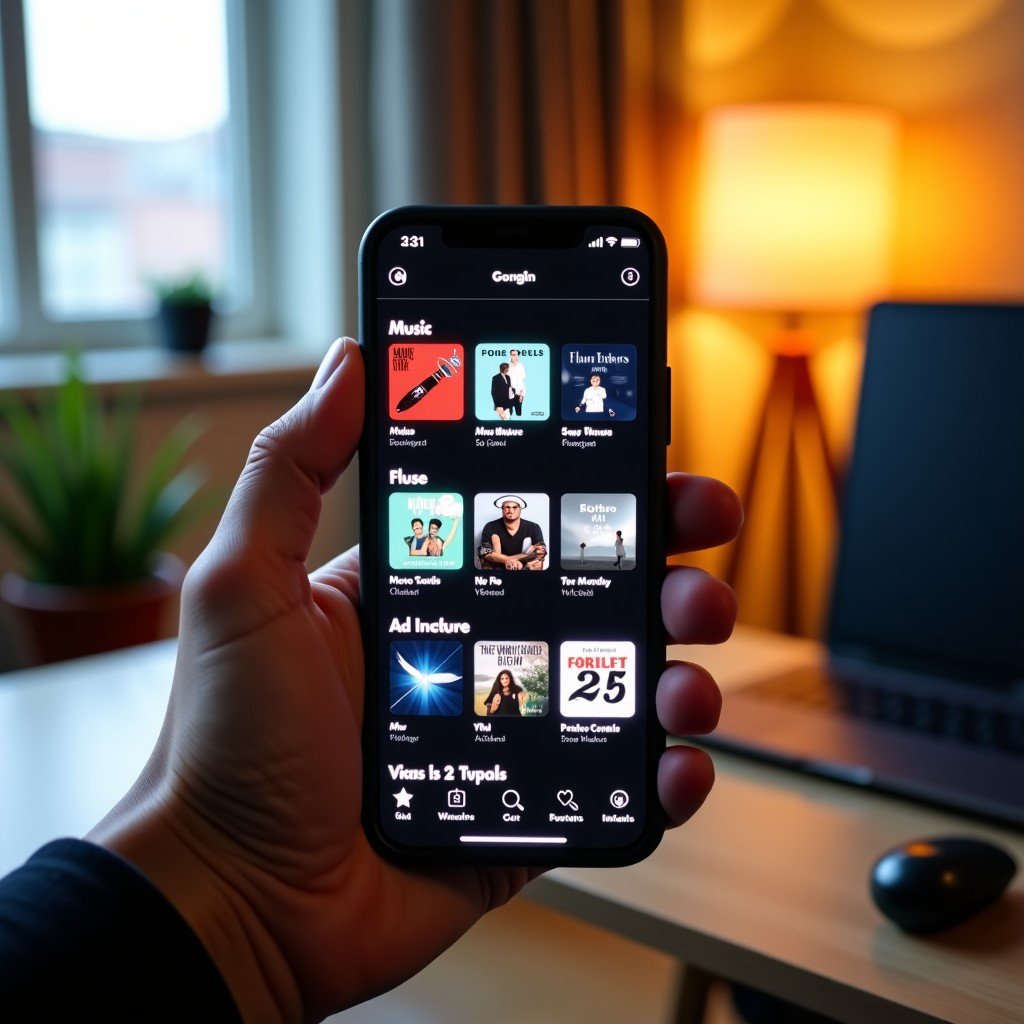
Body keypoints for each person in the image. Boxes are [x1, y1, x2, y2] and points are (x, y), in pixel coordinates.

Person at [0, 337, 742, 1021]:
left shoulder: (533, 525)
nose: (513, 510)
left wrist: (226, 888)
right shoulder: (483, 528)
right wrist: (228, 874)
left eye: (517, 507)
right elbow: (494, 561)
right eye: (509, 506)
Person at [479, 495, 547, 570]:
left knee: (537, 563)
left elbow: (541, 551)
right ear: (502, 508)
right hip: (497, 570)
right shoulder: (490, 527)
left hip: (524, 566)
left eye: (514, 507)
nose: (511, 511)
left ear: (520, 509)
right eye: (507, 507)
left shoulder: (533, 527)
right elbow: (485, 553)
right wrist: (512, 559)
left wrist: (522, 562)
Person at [507, 348, 526, 416]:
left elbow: (523, 379)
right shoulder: (508, 366)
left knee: (518, 411)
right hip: (510, 391)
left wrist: (521, 393)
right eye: (514, 355)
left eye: (517, 355)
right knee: (509, 412)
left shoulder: (521, 366)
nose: (515, 356)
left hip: (519, 391)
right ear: (510, 356)